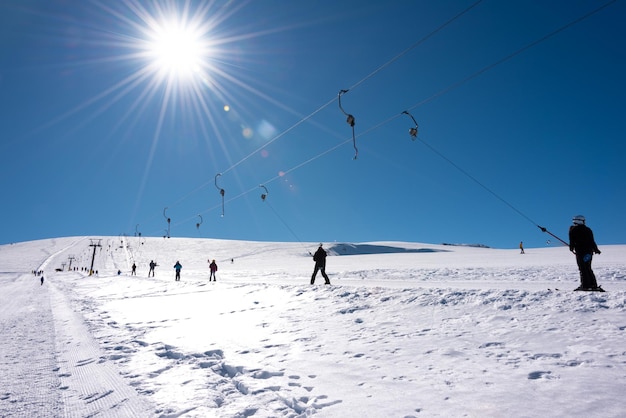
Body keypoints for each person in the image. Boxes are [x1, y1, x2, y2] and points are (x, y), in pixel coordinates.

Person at [568, 215, 602, 290]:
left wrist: (571, 248)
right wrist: (596, 249)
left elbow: (572, 241)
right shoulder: (588, 230)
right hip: (589, 252)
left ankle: (585, 285)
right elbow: (592, 241)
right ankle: (593, 285)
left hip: (580, 252)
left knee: (582, 268)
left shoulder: (573, 229)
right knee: (588, 268)